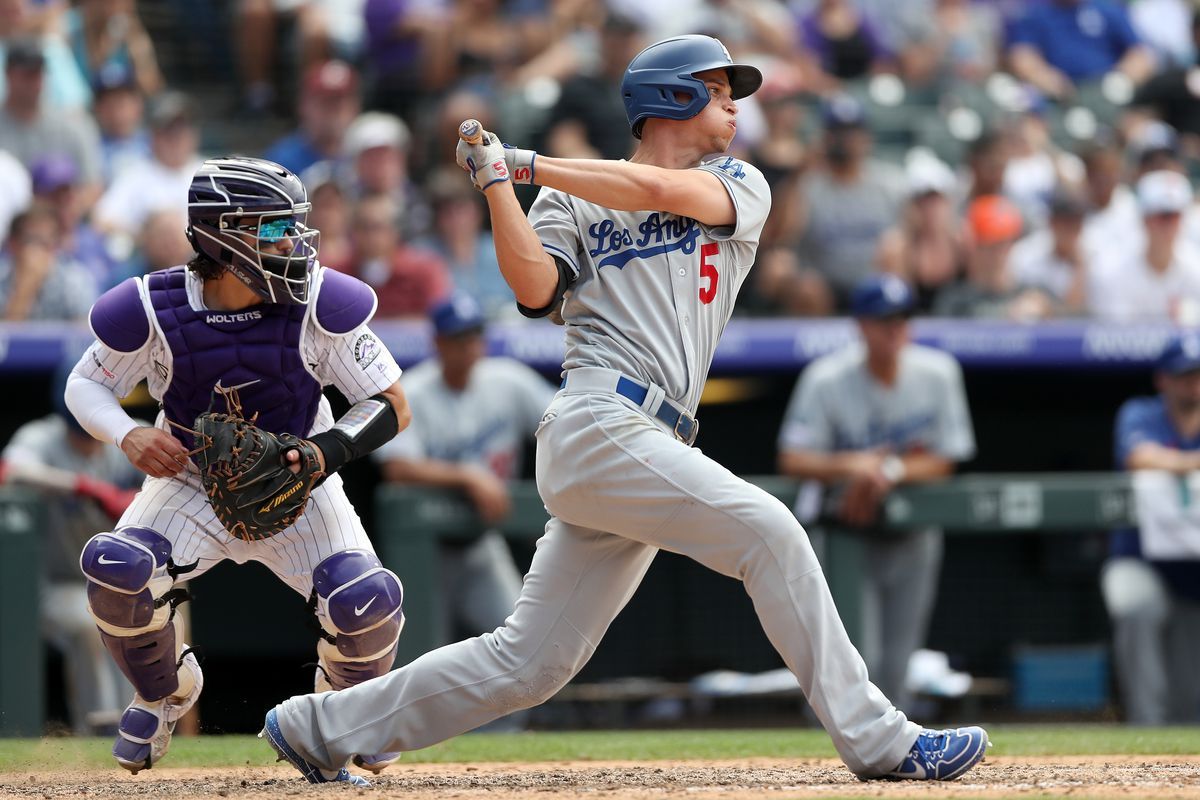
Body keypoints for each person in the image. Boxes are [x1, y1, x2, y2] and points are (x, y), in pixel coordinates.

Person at [263, 34, 989, 786]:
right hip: (599, 419)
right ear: (672, 96)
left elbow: (654, 192)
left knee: (532, 661)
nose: (734, 103)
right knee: (772, 533)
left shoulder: (738, 180)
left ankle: (318, 726)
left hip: (647, 436)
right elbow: (535, 289)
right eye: (715, 88)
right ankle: (879, 741)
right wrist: (497, 189)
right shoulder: (566, 197)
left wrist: (527, 164)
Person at [65, 156, 412, 780]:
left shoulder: (318, 300)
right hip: (189, 480)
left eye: (291, 227)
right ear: (222, 235)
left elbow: (390, 405)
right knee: (118, 574)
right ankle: (166, 693)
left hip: (298, 480)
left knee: (366, 602)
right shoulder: (154, 305)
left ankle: (342, 712)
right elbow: (84, 386)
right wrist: (128, 434)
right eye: (274, 229)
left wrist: (323, 452)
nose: (293, 243)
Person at [776, 274, 976, 714]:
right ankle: (825, 752)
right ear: (861, 326)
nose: (894, 329)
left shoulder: (938, 373)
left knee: (897, 660)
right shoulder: (826, 378)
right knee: (846, 655)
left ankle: (893, 757)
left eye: (902, 318)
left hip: (913, 534)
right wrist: (854, 464)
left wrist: (887, 468)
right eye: (884, 320)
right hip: (846, 534)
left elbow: (947, 459)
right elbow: (793, 458)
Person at [374, 292, 554, 654]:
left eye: (475, 335)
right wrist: (468, 476)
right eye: (459, 338)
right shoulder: (414, 390)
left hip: (480, 544)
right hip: (423, 552)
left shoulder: (508, 380)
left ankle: (512, 716)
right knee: (416, 657)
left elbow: (565, 425)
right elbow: (396, 468)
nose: (470, 346)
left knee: (525, 647)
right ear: (438, 342)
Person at [1, 360, 139, 735]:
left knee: (139, 620)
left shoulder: (128, 437)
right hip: (57, 582)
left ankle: (139, 721)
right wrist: (83, 487)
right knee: (88, 618)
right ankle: (99, 726)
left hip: (119, 581)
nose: (88, 439)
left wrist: (138, 496)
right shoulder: (42, 437)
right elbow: (11, 470)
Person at [1103, 334, 1200, 724]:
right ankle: (1143, 728)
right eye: (1184, 375)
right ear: (1164, 379)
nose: (1193, 383)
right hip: (1141, 558)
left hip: (1194, 566)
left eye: (1198, 375)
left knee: (1188, 700)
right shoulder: (1140, 413)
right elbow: (1138, 456)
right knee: (1134, 604)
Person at [1088, 170, 1200, 323]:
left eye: (1175, 217)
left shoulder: (1195, 269)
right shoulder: (1111, 270)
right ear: (1144, 219)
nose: (1169, 226)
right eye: (1162, 217)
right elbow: (1112, 337)